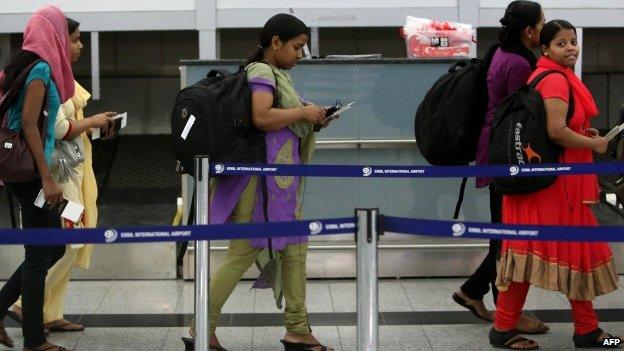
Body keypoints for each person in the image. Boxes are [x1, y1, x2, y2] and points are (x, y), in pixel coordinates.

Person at [183, 13, 333, 351]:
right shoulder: (263, 72)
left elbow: (275, 120)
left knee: (294, 247)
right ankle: (200, 327)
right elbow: (262, 118)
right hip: (260, 184)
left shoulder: (273, 73)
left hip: (275, 184)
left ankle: (297, 328)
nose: (300, 54)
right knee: (244, 250)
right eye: (297, 47)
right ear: (275, 43)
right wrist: (302, 113)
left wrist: (311, 119)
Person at [490, 20, 621, 350]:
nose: (571, 48)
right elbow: (555, 131)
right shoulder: (555, 82)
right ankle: (513, 329)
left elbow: (563, 128)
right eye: (562, 43)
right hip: (555, 186)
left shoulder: (549, 75)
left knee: (537, 251)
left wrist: (585, 134)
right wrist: (594, 145)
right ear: (545, 48)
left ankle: (583, 329)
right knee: (557, 251)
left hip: (550, 183)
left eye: (573, 42)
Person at [9, 17, 114, 333]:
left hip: (69, 173)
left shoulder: (62, 78)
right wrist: (92, 122)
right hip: (57, 179)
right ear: (57, 39)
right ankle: (22, 305)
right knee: (68, 240)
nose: (80, 45)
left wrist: (96, 128)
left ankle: (49, 310)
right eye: (76, 39)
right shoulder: (46, 76)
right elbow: (56, 129)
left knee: (68, 241)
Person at [454, 0, 548, 334]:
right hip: (505, 155)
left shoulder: (499, 52)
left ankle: (473, 290)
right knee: (507, 235)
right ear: (529, 31)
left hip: (493, 149)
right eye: (542, 24)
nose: (545, 29)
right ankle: (505, 311)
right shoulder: (521, 64)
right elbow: (526, 114)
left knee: (503, 230)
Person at [0, 5, 75, 351]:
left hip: (23, 170)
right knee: (38, 253)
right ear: (54, 34)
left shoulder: (19, 63)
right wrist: (47, 177)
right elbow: (29, 123)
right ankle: (34, 339)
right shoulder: (40, 68)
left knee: (53, 244)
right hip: (32, 173)